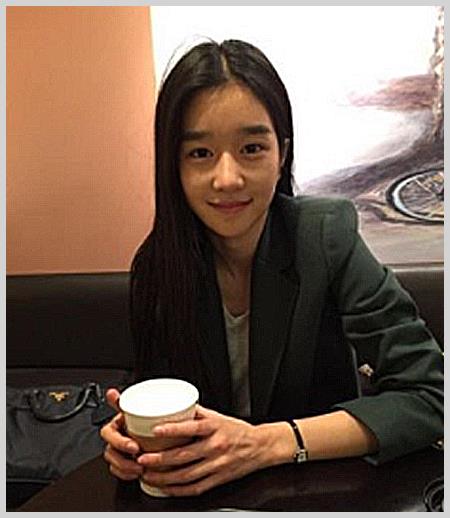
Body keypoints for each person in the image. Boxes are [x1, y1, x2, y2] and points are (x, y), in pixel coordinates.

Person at [100, 39, 443, 497]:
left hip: (322, 492)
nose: (227, 178)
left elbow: (430, 394)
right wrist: (126, 438)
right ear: (173, 166)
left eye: (251, 148)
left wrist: (267, 443)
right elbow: (152, 389)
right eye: (200, 153)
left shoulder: (326, 237)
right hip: (210, 498)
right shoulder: (158, 266)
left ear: (281, 155)